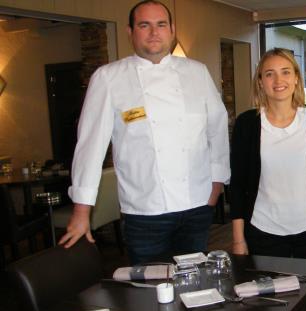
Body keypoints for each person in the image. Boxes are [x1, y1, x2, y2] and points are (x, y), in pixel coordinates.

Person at [59, 0, 230, 265]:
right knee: (149, 292)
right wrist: (82, 211)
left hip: (197, 205)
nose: (154, 32)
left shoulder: (197, 72)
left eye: (161, 24)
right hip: (145, 211)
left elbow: (217, 129)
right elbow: (90, 147)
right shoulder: (108, 78)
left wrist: (217, 184)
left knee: (196, 284)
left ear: (171, 29)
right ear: (130, 32)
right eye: (144, 25)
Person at [229, 48, 306, 311]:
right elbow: (238, 185)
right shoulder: (248, 125)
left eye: (286, 72)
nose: (279, 80)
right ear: (260, 82)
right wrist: (238, 239)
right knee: (276, 307)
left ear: (296, 79)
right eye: (269, 73)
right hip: (263, 231)